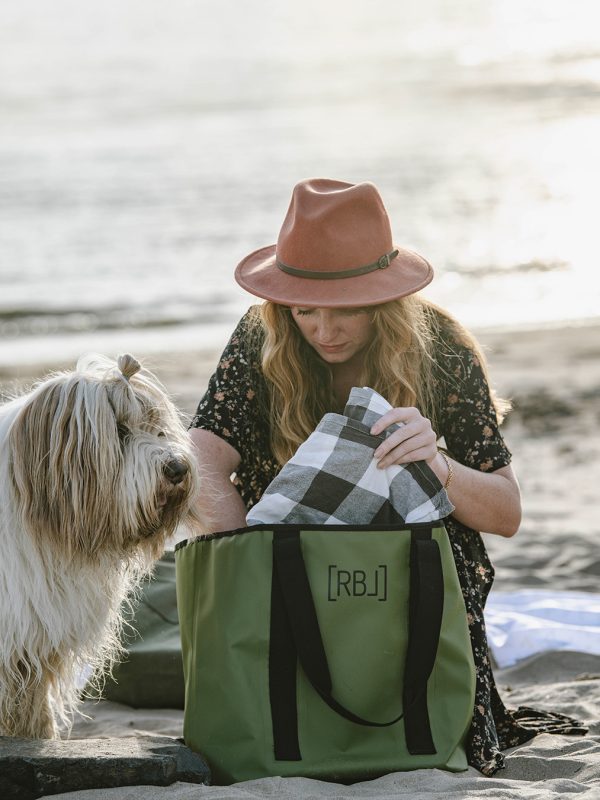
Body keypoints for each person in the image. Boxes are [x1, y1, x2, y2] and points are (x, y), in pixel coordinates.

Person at [189, 178, 583, 775]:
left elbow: (506, 513)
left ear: (383, 298)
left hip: (407, 574)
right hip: (287, 564)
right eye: (304, 308)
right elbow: (200, 460)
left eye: (345, 309)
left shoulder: (441, 348)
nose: (322, 330)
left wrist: (438, 466)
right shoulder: (260, 337)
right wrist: (251, 556)